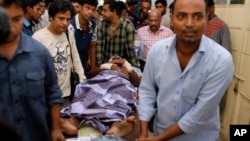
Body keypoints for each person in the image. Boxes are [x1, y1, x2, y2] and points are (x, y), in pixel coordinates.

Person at [136, 0, 234, 141]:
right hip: (160, 131)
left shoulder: (221, 60)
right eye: (181, 16)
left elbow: (200, 113)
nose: (189, 23)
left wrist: (160, 139)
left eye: (197, 16)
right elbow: (147, 91)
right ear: (172, 18)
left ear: (207, 18)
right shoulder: (157, 51)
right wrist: (143, 133)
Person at [0, 0, 65, 141]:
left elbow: (53, 92)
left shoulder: (40, 53)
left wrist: (56, 128)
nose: (10, 28)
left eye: (17, 19)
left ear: (23, 15)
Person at [60, 57, 140, 137]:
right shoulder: (104, 67)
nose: (117, 61)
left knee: (118, 101)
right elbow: (88, 75)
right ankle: (71, 122)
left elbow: (138, 83)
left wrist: (127, 66)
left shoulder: (127, 69)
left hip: (121, 83)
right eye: (114, 60)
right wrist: (105, 67)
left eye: (119, 61)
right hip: (99, 82)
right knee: (85, 99)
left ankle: (116, 126)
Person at [32, 0, 86, 106]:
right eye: (61, 18)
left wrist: (82, 83)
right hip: (47, 96)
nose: (65, 23)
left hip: (66, 94)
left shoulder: (68, 34)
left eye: (68, 19)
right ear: (51, 17)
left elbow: (75, 60)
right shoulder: (38, 38)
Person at [96, 0, 137, 68]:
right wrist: (100, 67)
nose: (102, 13)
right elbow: (99, 47)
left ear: (114, 12)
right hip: (106, 65)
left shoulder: (128, 26)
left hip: (123, 67)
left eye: (105, 10)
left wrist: (135, 69)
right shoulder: (101, 25)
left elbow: (131, 52)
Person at [68, 0, 98, 74]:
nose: (90, 12)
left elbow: (92, 46)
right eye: (87, 8)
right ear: (80, 7)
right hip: (71, 65)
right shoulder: (70, 25)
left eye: (93, 10)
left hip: (84, 63)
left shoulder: (93, 24)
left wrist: (93, 67)